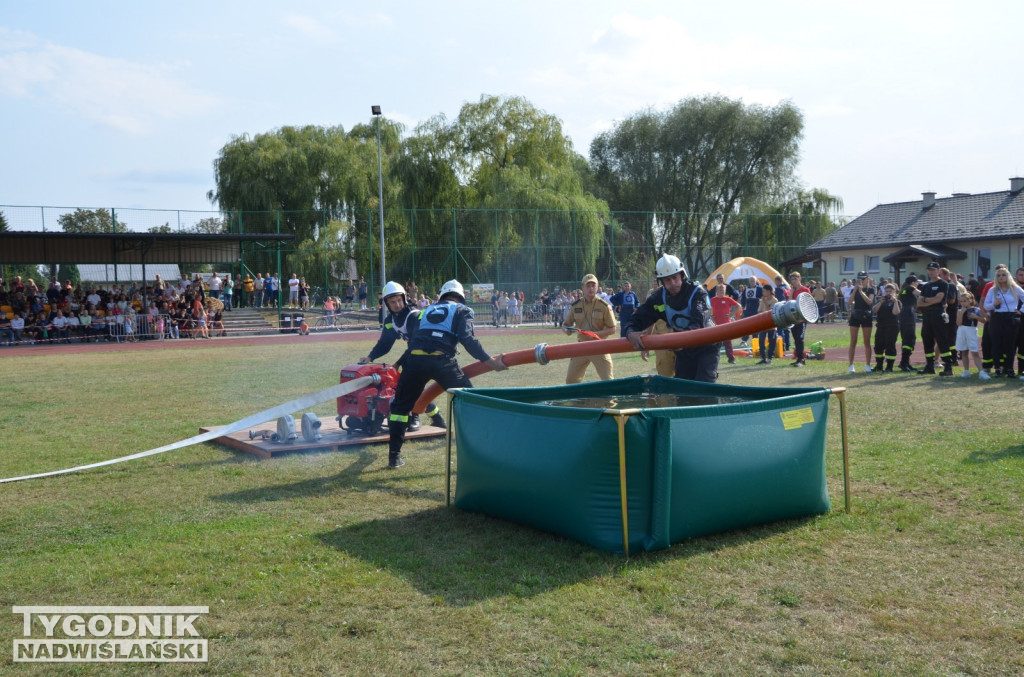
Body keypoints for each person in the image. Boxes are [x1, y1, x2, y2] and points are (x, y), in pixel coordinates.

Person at [386, 280, 507, 469]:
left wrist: (400, 363)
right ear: (460, 296)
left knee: (399, 410)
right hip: (442, 361)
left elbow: (414, 342)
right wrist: (491, 363)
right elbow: (468, 340)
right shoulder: (462, 310)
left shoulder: (426, 311)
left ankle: (394, 458)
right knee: (471, 403)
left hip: (415, 361)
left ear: (442, 295)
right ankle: (481, 450)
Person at [358, 281, 446, 431]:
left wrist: (398, 363)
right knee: (408, 387)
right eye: (392, 302)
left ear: (404, 299)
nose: (397, 304)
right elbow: (385, 344)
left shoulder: (414, 316)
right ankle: (437, 419)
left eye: (399, 300)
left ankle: (415, 417)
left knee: (410, 386)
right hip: (416, 354)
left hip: (431, 353)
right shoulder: (390, 321)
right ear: (387, 303)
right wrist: (370, 357)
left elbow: (415, 345)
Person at [626, 253, 718, 382]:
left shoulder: (698, 293)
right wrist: (630, 331)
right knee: (682, 390)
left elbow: (698, 324)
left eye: (675, 277)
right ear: (661, 281)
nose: (672, 283)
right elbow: (639, 317)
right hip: (683, 350)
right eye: (667, 280)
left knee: (705, 388)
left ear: (682, 275)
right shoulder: (658, 298)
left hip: (706, 347)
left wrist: (681, 340)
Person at [562, 274, 618, 383]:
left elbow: (612, 329)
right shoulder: (576, 306)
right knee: (571, 381)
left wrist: (596, 334)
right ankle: (578, 400)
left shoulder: (604, 306)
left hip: (599, 346)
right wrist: (567, 330)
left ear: (597, 287)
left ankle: (610, 400)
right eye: (588, 286)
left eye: (593, 285)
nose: (591, 288)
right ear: (582, 287)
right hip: (581, 347)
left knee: (608, 381)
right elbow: (565, 325)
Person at [982, 266, 1024, 377]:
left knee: (1010, 345)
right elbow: (986, 306)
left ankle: (1009, 369)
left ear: (1008, 276)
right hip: (997, 317)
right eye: (998, 275)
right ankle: (998, 369)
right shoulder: (992, 289)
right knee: (996, 344)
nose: (1001, 277)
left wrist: (1021, 311)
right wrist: (994, 304)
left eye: (1003, 275)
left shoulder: (1015, 288)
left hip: (1011, 317)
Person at [917, 262, 953, 375]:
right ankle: (929, 366)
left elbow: (938, 299)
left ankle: (948, 368)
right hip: (927, 316)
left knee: (942, 340)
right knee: (927, 340)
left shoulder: (943, 283)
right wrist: (930, 301)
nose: (931, 271)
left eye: (933, 269)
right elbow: (919, 303)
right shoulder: (925, 285)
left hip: (938, 315)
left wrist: (926, 300)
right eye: (929, 269)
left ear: (938, 271)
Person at [847, 272, 875, 373]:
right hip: (856, 316)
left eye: (863, 279)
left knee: (867, 342)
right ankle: (851, 364)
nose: (861, 281)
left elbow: (869, 302)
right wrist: (855, 291)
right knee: (853, 341)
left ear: (867, 279)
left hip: (866, 315)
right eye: (860, 279)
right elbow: (849, 302)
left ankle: (867, 365)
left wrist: (861, 291)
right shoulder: (854, 289)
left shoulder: (871, 289)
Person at [956, 292, 987, 379]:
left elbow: (984, 320)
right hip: (962, 330)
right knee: (964, 352)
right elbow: (958, 323)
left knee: (974, 352)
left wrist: (976, 317)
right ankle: (966, 371)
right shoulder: (959, 310)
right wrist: (961, 313)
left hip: (971, 330)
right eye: (961, 301)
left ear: (970, 300)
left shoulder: (976, 310)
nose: (963, 303)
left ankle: (981, 372)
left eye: (965, 301)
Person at [871, 283, 901, 372]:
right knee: (878, 346)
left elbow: (896, 312)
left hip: (892, 327)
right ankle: (879, 365)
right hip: (881, 326)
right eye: (887, 291)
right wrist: (880, 302)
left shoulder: (897, 302)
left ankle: (889, 366)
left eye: (890, 291)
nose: (888, 293)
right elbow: (874, 310)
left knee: (890, 346)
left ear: (894, 292)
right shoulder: (882, 301)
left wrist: (894, 301)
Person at [710, 283, 742, 364]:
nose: (722, 292)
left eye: (723, 290)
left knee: (728, 342)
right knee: (715, 343)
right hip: (716, 325)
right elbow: (708, 309)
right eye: (720, 290)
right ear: (717, 291)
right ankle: (714, 358)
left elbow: (738, 306)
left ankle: (731, 358)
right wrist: (711, 316)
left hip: (726, 324)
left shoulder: (728, 299)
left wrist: (732, 314)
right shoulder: (712, 300)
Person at [787, 271, 812, 366]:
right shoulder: (792, 291)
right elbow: (789, 303)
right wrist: (792, 292)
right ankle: (799, 359)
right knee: (795, 338)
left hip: (802, 318)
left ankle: (801, 359)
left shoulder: (805, 289)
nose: (794, 281)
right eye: (792, 279)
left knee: (800, 338)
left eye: (795, 279)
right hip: (794, 318)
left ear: (800, 279)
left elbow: (808, 302)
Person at [896, 275, 920, 372]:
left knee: (908, 338)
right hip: (908, 314)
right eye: (917, 282)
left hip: (904, 314)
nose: (918, 284)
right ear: (913, 282)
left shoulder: (904, 290)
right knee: (909, 338)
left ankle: (906, 363)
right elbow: (921, 294)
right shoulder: (911, 288)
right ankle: (903, 363)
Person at [754, 285, 778, 364]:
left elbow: (770, 312)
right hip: (763, 323)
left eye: (764, 291)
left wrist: (764, 302)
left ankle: (770, 358)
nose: (763, 293)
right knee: (761, 341)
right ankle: (763, 358)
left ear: (769, 291)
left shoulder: (774, 300)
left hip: (771, 323)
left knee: (772, 341)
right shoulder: (762, 299)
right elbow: (759, 311)